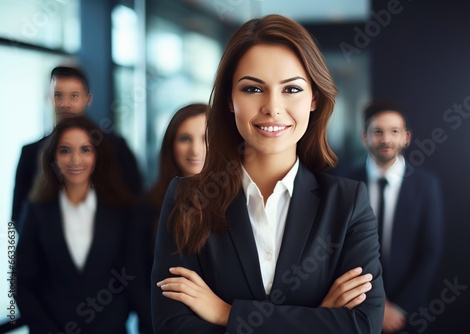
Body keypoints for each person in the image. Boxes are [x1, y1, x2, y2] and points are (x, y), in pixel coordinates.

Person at [151, 14, 384, 333]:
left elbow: (362, 325)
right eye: (252, 88)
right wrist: (318, 319)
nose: (272, 107)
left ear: (314, 98)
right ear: (230, 100)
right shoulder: (187, 197)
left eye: (291, 89)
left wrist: (225, 314)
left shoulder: (348, 202)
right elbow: (172, 326)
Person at [16, 116, 152, 333]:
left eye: (85, 150)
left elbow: (131, 275)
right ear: (53, 157)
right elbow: (22, 281)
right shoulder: (37, 211)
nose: (75, 160)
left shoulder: (122, 210)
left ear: (97, 155)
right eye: (65, 150)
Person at [346, 100, 444, 333]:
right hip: (355, 309)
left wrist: (398, 307)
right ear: (364, 137)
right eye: (377, 131)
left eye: (394, 131)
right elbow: (340, 251)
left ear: (406, 137)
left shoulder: (426, 185)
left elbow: (430, 251)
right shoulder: (345, 183)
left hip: (408, 314)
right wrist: (374, 306)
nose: (386, 139)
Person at [11, 65, 143, 223]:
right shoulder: (30, 153)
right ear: (49, 98)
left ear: (88, 99)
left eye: (74, 96)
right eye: (58, 95)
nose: (65, 104)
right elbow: (17, 217)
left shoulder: (115, 148)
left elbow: (135, 203)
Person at [139, 103, 208, 282]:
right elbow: (136, 276)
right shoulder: (148, 205)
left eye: (206, 138)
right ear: (171, 145)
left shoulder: (238, 200)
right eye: (185, 138)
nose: (195, 149)